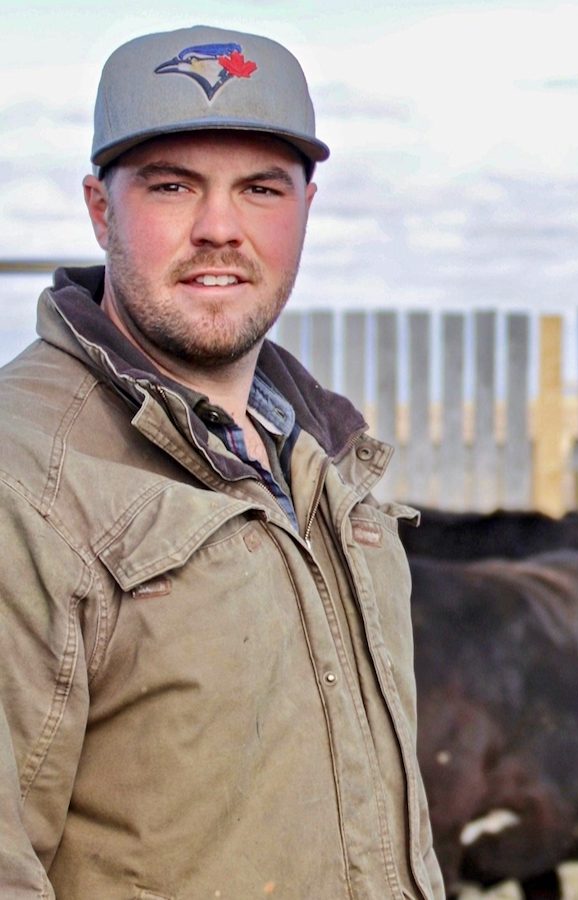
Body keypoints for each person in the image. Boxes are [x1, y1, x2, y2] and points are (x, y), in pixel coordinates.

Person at [0, 25, 444, 899]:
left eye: (260, 189)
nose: (218, 229)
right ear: (99, 207)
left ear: (307, 207)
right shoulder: (24, 480)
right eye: (171, 187)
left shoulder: (326, 467)